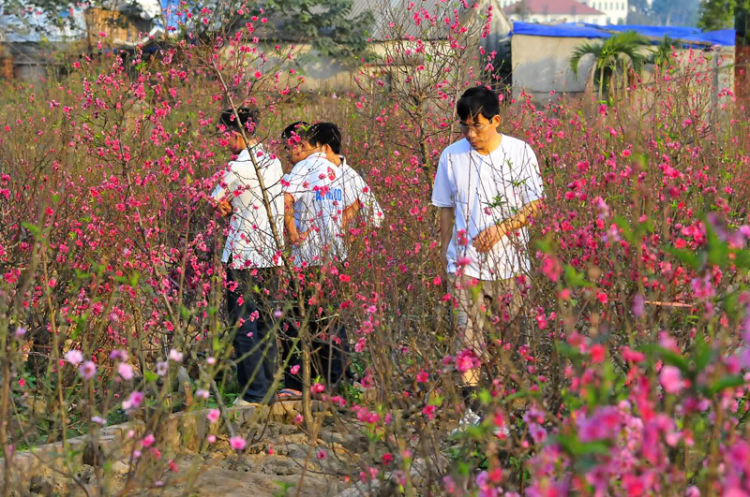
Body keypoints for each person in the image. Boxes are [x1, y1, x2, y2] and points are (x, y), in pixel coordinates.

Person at [431, 86, 545, 426]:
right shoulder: (451, 157)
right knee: (468, 343)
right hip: (466, 267)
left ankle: (508, 415)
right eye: (465, 127)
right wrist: (444, 258)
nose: (471, 134)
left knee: (508, 343)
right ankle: (472, 414)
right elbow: (445, 211)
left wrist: (501, 228)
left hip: (511, 265)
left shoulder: (520, 152)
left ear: (496, 120)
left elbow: (535, 204)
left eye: (477, 126)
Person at [278, 122, 360, 397]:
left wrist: (292, 232)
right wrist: (341, 233)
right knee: (329, 322)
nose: (292, 151)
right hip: (332, 258)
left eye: (295, 145)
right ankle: (333, 385)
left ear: (308, 145)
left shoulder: (306, 168)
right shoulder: (337, 170)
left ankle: (297, 385)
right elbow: (359, 204)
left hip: (309, 258)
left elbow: (284, 198)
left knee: (298, 321)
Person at [211, 106, 285, 406]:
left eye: (223, 133)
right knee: (266, 323)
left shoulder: (236, 167)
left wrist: (223, 206)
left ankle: (253, 394)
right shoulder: (275, 161)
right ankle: (268, 387)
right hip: (271, 253)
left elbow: (216, 198)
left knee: (244, 324)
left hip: (243, 255)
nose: (221, 139)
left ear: (235, 133)